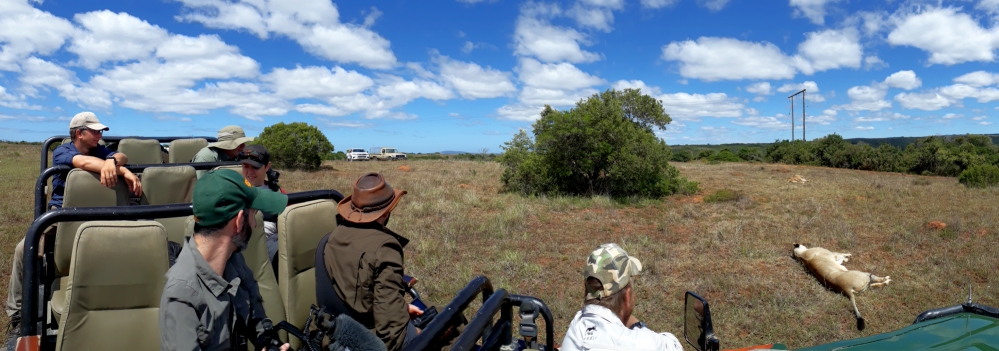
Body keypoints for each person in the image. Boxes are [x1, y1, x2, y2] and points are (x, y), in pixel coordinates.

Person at [4, 112, 142, 342]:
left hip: (96, 215)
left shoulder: (101, 150)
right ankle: (19, 315)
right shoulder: (63, 151)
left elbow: (122, 154)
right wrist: (122, 171)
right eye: (96, 131)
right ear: (80, 133)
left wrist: (116, 162)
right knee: (23, 250)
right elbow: (83, 163)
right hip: (61, 217)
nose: (100, 135)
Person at [159, 169, 290, 351]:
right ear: (238, 222)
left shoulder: (234, 260)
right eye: (253, 214)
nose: (254, 224)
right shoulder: (182, 296)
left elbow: (256, 319)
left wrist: (267, 342)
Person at [320, 173, 425, 351]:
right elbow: (392, 333)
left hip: (336, 325)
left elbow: (360, 293)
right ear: (386, 211)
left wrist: (402, 307)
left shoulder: (334, 236)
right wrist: (420, 334)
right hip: (369, 337)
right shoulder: (385, 248)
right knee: (452, 322)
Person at [560, 243, 685, 351]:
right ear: (627, 295)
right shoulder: (640, 343)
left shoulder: (575, 327)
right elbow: (675, 346)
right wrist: (638, 325)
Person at [238, 144, 284, 263]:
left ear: (267, 167)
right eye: (246, 166)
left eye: (255, 167)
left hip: (274, 240)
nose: (250, 172)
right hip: (247, 242)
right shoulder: (234, 191)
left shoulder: (277, 192)